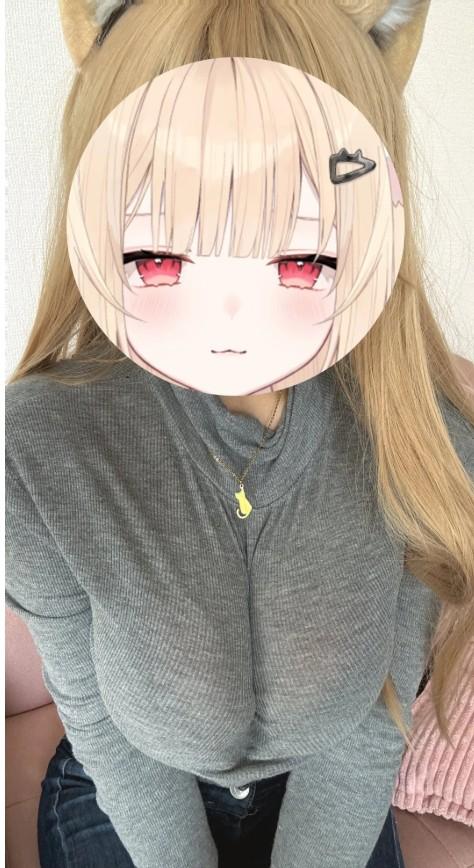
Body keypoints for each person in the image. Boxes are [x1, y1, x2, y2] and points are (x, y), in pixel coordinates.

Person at [5, 2, 474, 867]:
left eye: (301, 258)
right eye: (160, 257)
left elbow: (376, 719)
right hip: (127, 795)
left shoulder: (420, 427)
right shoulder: (39, 446)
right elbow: (96, 718)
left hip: (330, 794)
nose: (229, 319)